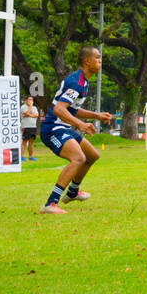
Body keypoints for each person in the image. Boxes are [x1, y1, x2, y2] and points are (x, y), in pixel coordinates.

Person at [38, 47, 114, 215]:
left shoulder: (83, 82)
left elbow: (71, 110)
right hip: (52, 129)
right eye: (97, 58)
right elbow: (58, 109)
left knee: (92, 155)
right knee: (78, 158)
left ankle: (72, 192)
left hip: (63, 127)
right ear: (87, 61)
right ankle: (50, 203)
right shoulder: (76, 82)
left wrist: (97, 116)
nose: (100, 61)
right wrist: (80, 124)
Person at [20, 96, 40, 162]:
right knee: (24, 142)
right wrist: (30, 107)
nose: (31, 101)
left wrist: (29, 115)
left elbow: (36, 115)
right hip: (26, 127)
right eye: (29, 99)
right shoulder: (23, 107)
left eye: (32, 99)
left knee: (31, 142)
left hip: (33, 127)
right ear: (26, 100)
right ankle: (21, 156)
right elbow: (25, 113)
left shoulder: (34, 107)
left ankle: (31, 156)